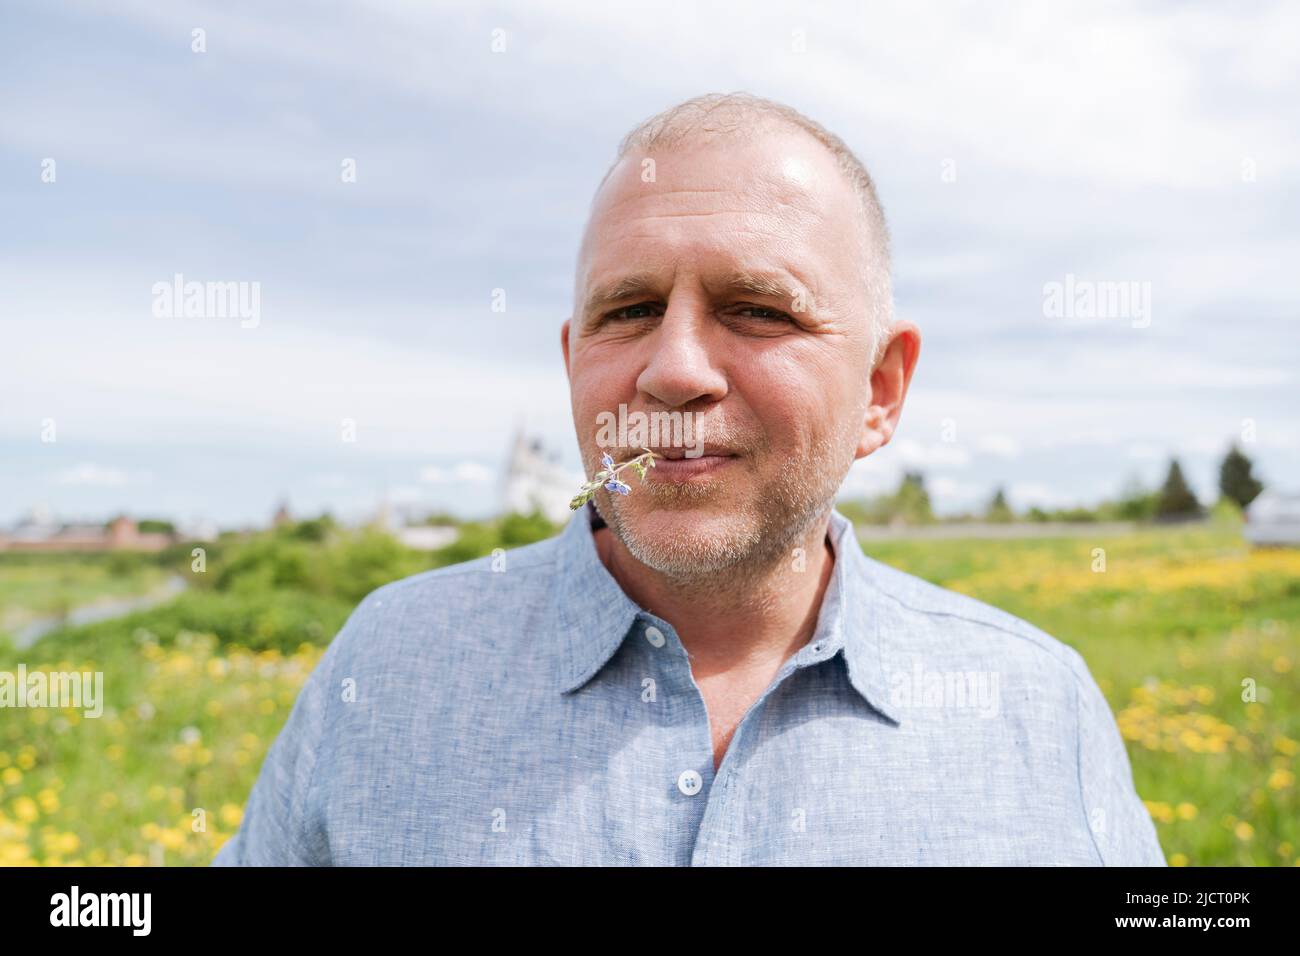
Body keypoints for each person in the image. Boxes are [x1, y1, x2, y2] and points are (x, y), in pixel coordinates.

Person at [214, 92, 1164, 866]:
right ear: (571, 362)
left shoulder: (1038, 706)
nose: (671, 370)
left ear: (880, 390)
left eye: (756, 309)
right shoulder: (388, 670)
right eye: (627, 310)